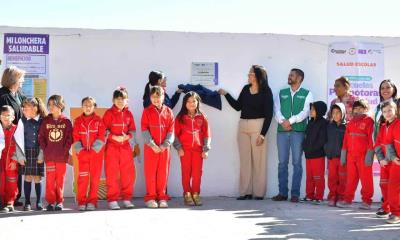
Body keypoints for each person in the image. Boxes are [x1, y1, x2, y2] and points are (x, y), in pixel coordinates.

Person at [218, 65, 273, 200]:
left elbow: (269, 114)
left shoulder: (266, 91)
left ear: (258, 76)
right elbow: (238, 107)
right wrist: (226, 95)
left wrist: (262, 134)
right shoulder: (245, 89)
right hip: (243, 126)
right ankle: (246, 192)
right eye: (249, 74)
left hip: (258, 126)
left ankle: (259, 193)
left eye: (251, 74)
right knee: (245, 160)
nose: (248, 76)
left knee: (259, 161)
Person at [272, 68, 313, 203]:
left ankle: (295, 194)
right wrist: (283, 121)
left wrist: (290, 121)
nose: (289, 76)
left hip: (298, 132)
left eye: (292, 75)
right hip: (282, 132)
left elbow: (305, 112)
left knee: (297, 163)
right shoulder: (282, 93)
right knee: (282, 163)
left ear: (300, 78)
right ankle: (282, 193)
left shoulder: (307, 94)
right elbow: (276, 109)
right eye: (289, 74)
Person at [103, 88, 139, 210]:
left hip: (125, 147)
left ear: (126, 100)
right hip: (112, 147)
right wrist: (113, 137)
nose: (120, 101)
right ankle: (112, 199)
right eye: (117, 99)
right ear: (113, 100)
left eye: (122, 98)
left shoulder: (129, 114)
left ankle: (127, 199)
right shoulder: (108, 113)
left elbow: (133, 131)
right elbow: (104, 130)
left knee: (128, 174)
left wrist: (127, 137)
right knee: (112, 173)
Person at [173, 91, 211, 206]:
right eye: (188, 101)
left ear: (197, 102)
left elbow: (207, 134)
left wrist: (206, 149)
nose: (191, 103)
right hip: (185, 150)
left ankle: (196, 194)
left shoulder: (202, 117)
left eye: (194, 101)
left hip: (198, 150)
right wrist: (179, 148)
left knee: (197, 173)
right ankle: (187, 194)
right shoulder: (180, 118)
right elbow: (175, 134)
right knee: (186, 173)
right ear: (185, 103)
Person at [337, 99, 374, 210]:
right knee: (351, 179)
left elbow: (371, 140)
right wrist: (344, 155)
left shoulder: (369, 121)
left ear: (366, 109)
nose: (357, 110)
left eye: (360, 108)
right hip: (351, 157)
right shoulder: (350, 122)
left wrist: (369, 154)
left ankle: (367, 201)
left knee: (366, 179)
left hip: (363, 156)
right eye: (356, 108)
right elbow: (345, 140)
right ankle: (347, 200)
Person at [141, 86, 174, 208]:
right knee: (150, 173)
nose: (156, 99)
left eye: (158, 96)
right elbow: (144, 129)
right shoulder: (147, 111)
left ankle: (162, 197)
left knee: (163, 173)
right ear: (150, 97)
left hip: (165, 149)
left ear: (163, 97)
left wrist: (165, 145)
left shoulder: (169, 112)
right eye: (153, 97)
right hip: (151, 148)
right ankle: (151, 197)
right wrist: (152, 145)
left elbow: (171, 130)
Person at [38, 95, 73, 211]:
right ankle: (51, 202)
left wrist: (65, 151)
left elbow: (69, 138)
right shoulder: (46, 121)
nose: (51, 107)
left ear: (61, 106)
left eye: (54, 104)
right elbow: (41, 137)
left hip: (62, 157)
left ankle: (59, 202)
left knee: (60, 180)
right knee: (50, 180)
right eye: (50, 104)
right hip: (49, 157)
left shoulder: (66, 122)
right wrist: (46, 149)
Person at [0, 66, 27, 207]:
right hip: (4, 138)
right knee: (3, 170)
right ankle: (3, 199)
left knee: (15, 168)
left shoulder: (19, 94)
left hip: (18, 138)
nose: (22, 80)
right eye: (21, 78)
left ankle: (14, 197)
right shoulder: (2, 95)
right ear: (13, 79)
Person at [14, 98, 47, 211]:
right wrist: (20, 156)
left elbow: (45, 139)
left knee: (37, 177)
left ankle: (39, 201)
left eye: (26, 107)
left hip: (38, 153)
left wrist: (41, 154)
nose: (24, 109)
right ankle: (27, 202)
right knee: (27, 177)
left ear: (34, 108)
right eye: (23, 107)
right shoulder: (22, 121)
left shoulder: (43, 121)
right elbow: (17, 139)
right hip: (26, 152)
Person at [73, 96, 106, 211]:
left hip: (96, 156)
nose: (87, 107)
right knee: (83, 179)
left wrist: (92, 152)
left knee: (95, 179)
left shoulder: (99, 121)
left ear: (94, 107)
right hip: (82, 156)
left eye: (90, 105)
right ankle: (82, 201)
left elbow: (101, 137)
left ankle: (92, 202)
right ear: (82, 107)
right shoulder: (77, 121)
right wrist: (81, 151)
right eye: (85, 105)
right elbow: (76, 138)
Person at [374, 101, 399, 218]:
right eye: (384, 111)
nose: (387, 113)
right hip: (385, 162)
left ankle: (396, 213)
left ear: (395, 111)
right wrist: (381, 159)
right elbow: (378, 144)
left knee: (394, 188)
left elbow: (393, 145)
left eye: (390, 110)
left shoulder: (398, 124)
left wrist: (391, 158)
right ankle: (386, 207)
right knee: (384, 185)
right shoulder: (383, 127)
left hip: (395, 162)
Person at [301, 101, 328, 205]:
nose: (311, 111)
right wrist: (305, 147)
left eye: (313, 109)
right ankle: (309, 195)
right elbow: (306, 137)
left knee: (318, 177)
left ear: (319, 111)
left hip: (318, 155)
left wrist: (312, 149)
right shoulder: (310, 122)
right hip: (309, 155)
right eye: (311, 109)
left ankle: (319, 196)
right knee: (310, 177)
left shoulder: (324, 123)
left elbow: (322, 140)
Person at [324, 103, 347, 207]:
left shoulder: (346, 127)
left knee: (342, 179)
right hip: (332, 158)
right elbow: (326, 140)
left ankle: (341, 198)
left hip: (342, 159)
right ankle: (332, 197)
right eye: (333, 113)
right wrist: (327, 150)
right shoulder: (329, 126)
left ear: (343, 113)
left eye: (338, 112)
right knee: (332, 178)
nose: (336, 115)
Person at [0, 106, 18, 212]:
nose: (6, 118)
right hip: (1, 160)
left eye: (8, 115)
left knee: (11, 182)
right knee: (1, 181)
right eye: (3, 115)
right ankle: (2, 201)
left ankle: (10, 203)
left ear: (13, 117)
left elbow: (20, 146)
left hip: (11, 161)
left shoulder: (16, 129)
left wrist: (15, 161)